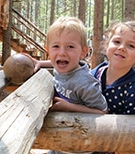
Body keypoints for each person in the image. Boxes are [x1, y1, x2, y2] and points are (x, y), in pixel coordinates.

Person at [33, 20, 135, 153]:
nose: (122, 47)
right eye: (117, 42)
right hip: (78, 138)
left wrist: (68, 107)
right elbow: (70, 62)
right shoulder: (98, 71)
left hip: (106, 147)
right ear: (107, 45)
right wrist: (40, 63)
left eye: (131, 46)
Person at [46, 17, 108, 154]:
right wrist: (38, 63)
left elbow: (103, 112)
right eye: (56, 46)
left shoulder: (85, 83)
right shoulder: (60, 67)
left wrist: (69, 107)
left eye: (70, 47)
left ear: (83, 52)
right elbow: (54, 62)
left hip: (78, 146)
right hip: (58, 140)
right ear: (48, 50)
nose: (62, 52)